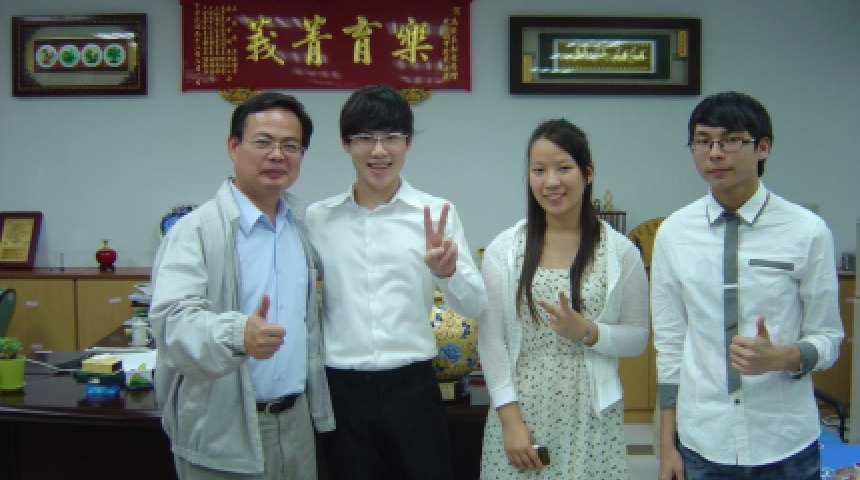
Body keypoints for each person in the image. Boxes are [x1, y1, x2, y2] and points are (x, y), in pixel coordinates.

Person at [651, 91, 844, 480]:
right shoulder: (673, 233)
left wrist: (783, 356)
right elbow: (671, 344)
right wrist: (668, 445)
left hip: (784, 440)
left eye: (730, 140)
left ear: (763, 147)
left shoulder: (807, 231)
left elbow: (828, 338)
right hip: (703, 439)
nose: (715, 153)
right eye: (703, 141)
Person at [149, 92, 335, 480]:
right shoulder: (195, 232)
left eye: (290, 146)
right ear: (233, 147)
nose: (277, 155)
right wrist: (238, 335)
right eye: (263, 142)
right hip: (223, 430)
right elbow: (171, 326)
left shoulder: (305, 225)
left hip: (297, 426)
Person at [306, 84, 487, 480]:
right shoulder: (318, 219)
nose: (379, 151)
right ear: (345, 144)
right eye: (364, 138)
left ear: (408, 143)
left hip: (414, 387)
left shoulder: (436, 213)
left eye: (391, 137)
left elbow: (474, 305)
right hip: (343, 390)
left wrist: (447, 273)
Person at [476, 118, 650, 479]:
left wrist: (588, 331)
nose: (551, 182)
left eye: (564, 168)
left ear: (588, 174)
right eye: (539, 170)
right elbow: (491, 341)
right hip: (521, 408)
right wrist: (510, 421)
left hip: (593, 412)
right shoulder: (503, 251)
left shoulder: (621, 253)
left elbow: (637, 337)